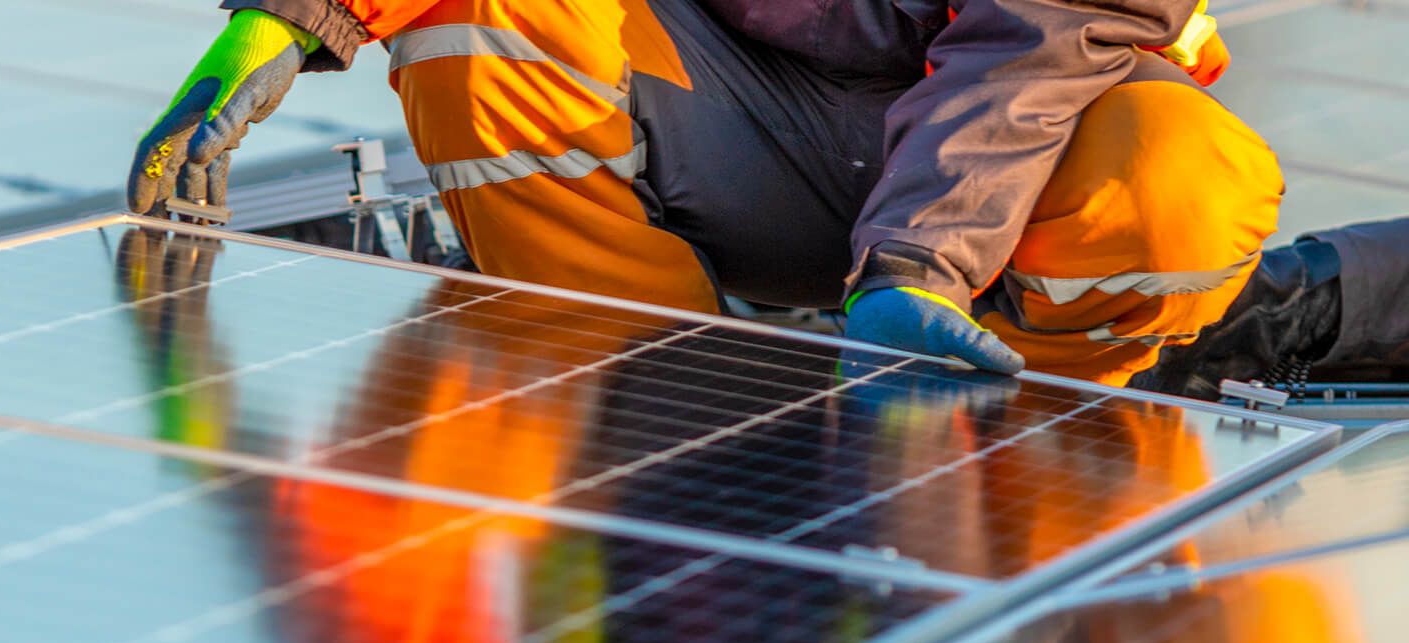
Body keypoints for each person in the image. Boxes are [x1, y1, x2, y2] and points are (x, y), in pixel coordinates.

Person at [127, 0, 1408, 388]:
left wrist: (918, 269)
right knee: (486, 29)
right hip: (743, 117)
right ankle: (660, 388)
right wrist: (293, 23)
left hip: (1011, 157)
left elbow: (1021, 66)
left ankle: (1022, 396)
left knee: (1183, 184)